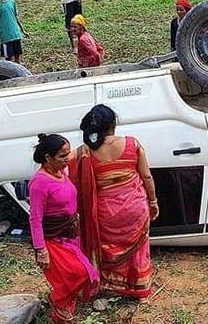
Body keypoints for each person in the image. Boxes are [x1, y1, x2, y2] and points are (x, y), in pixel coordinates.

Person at [71, 105, 158, 298]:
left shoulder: (84, 153)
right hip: (135, 207)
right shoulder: (132, 144)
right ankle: (138, 286)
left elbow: (68, 174)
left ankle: (112, 286)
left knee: (109, 250)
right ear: (113, 124)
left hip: (105, 213)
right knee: (138, 250)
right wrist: (153, 202)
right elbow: (147, 177)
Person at [29, 134, 99, 323]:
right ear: (48, 158)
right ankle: (58, 303)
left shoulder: (63, 172)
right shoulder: (39, 182)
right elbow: (35, 219)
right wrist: (40, 250)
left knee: (83, 274)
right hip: (53, 240)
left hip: (70, 236)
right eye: (63, 156)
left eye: (68, 154)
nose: (68, 159)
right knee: (78, 275)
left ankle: (62, 311)